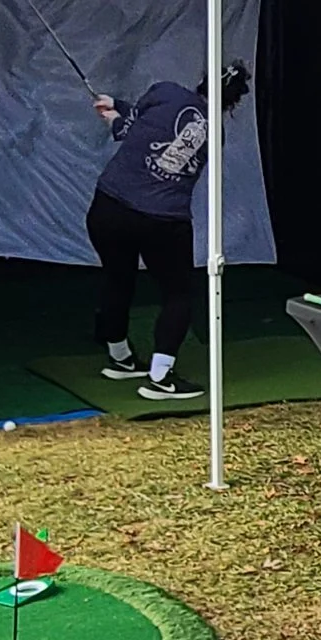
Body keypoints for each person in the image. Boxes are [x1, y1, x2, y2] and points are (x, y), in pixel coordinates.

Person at [89, 59, 251, 400]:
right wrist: (118, 109)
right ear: (233, 102)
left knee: (118, 278)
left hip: (109, 206)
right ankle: (160, 378)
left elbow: (133, 130)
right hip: (162, 221)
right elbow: (163, 139)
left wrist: (116, 113)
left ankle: (121, 359)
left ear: (203, 80)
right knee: (178, 294)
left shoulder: (165, 92)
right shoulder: (215, 135)